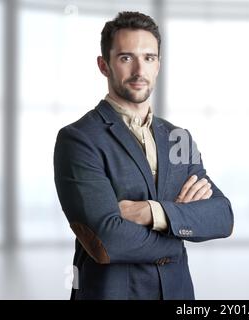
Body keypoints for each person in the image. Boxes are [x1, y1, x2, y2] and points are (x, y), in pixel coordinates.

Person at [53, 11, 234, 300]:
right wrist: (179, 232)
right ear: (104, 65)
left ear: (158, 65)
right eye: (126, 58)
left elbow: (222, 217)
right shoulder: (79, 138)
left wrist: (152, 212)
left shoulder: (178, 137)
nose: (140, 70)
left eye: (149, 58)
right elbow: (106, 240)